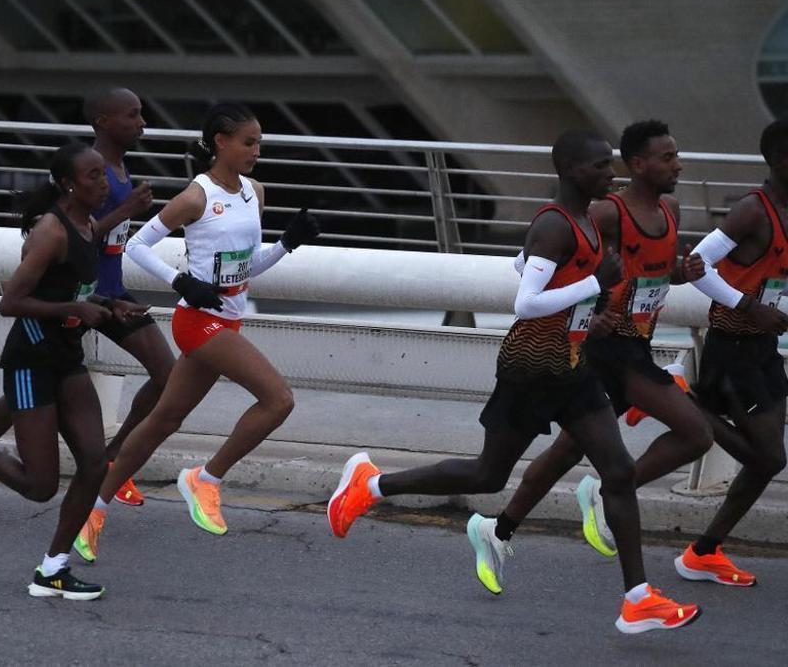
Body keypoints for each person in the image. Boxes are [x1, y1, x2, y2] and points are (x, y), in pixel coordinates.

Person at [327, 131, 699, 634]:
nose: (611, 176)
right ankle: (370, 485)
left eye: (611, 166)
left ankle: (638, 598)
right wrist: (594, 286)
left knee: (616, 469)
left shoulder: (587, 221)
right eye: (599, 167)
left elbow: (524, 264)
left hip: (572, 364)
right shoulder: (554, 224)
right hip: (529, 368)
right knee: (487, 476)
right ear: (571, 171)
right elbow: (524, 301)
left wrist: (590, 308)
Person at [71, 101, 320, 563]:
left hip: (227, 318)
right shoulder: (197, 196)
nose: (256, 151)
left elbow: (247, 267)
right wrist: (180, 281)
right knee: (278, 399)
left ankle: (91, 509)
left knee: (162, 422)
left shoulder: (254, 192)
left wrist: (287, 242)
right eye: (248, 142)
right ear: (221, 143)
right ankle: (205, 479)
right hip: (196, 322)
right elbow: (137, 245)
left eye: (259, 142)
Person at [0, 142, 149, 600]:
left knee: (94, 464)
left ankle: (53, 569)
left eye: (103, 175)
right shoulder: (51, 232)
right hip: (31, 362)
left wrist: (111, 304)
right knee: (39, 486)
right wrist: (73, 306)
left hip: (67, 359)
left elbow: (76, 287)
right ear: (68, 184)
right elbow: (10, 303)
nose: (103, 183)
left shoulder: (87, 224)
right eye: (93, 177)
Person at [470, 120, 711, 579]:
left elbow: (653, 272)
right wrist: (590, 305)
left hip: (636, 343)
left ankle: (498, 530)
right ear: (637, 164)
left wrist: (683, 271)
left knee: (566, 449)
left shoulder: (672, 210)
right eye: (668, 157)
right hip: (608, 349)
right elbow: (535, 260)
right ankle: (609, 493)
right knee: (696, 433)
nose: (678, 165)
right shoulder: (607, 213)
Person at [0, 88, 169, 519]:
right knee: (31, 384)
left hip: (106, 293)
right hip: (72, 297)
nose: (142, 122)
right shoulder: (88, 169)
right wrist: (127, 210)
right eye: (132, 115)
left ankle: (115, 459)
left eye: (141, 113)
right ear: (102, 121)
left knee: (166, 373)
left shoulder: (116, 167)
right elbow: (75, 231)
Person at [676, 119, 788, 586]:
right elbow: (695, 266)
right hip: (734, 346)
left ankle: (704, 552)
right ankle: (683, 398)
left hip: (763, 348)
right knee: (770, 459)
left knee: (768, 460)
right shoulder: (752, 212)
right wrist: (749, 306)